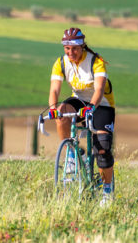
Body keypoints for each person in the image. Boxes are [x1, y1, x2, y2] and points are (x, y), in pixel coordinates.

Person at [49, 27, 116, 203]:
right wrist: (52, 108)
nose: (71, 52)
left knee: (102, 149)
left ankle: (107, 191)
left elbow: (100, 89)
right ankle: (73, 153)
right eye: (67, 48)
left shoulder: (95, 61)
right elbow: (55, 89)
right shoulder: (61, 62)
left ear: (82, 46)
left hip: (101, 104)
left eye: (75, 49)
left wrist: (91, 107)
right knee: (61, 112)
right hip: (79, 100)